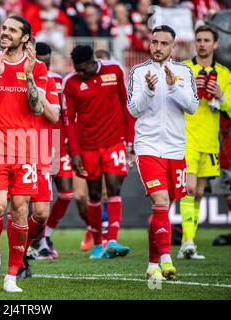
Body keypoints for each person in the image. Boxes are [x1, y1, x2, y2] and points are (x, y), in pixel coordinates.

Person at [0, 16, 48, 293]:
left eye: (12, 30)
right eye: (4, 28)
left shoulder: (37, 67)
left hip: (26, 147)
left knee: (20, 211)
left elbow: (38, 109)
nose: (5, 33)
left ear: (25, 37)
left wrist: (27, 76)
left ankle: (12, 276)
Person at [127, 25, 198, 280]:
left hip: (175, 149)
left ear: (173, 46)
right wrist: (148, 90)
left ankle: (152, 263)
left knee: (163, 211)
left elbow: (191, 107)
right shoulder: (138, 72)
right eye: (154, 42)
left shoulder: (184, 71)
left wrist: (172, 86)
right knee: (161, 202)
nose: (157, 47)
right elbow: (134, 110)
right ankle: (167, 260)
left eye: (163, 43)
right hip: (147, 147)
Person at [64, 44, 135, 259]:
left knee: (113, 189)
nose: (80, 73)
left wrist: (130, 142)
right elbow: (70, 122)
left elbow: (127, 106)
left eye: (83, 68)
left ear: (93, 61)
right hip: (87, 147)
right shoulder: (71, 82)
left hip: (114, 142)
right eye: (77, 69)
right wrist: (74, 152)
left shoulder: (115, 71)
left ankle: (112, 240)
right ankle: (98, 243)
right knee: (93, 194)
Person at [180, 24, 231, 259]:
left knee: (199, 193)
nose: (202, 44)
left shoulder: (225, 74)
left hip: (209, 142)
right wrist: (191, 91)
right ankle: (187, 241)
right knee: (188, 189)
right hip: (186, 138)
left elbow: (230, 110)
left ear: (215, 44)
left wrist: (221, 96)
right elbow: (173, 102)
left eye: (206, 40)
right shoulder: (183, 70)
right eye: (198, 39)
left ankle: (186, 243)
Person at [15, 40, 60, 278]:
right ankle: (19, 260)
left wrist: (34, 85)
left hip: (42, 150)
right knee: (18, 210)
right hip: (17, 148)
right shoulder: (9, 77)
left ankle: (22, 248)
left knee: (41, 212)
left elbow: (53, 116)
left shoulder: (47, 79)